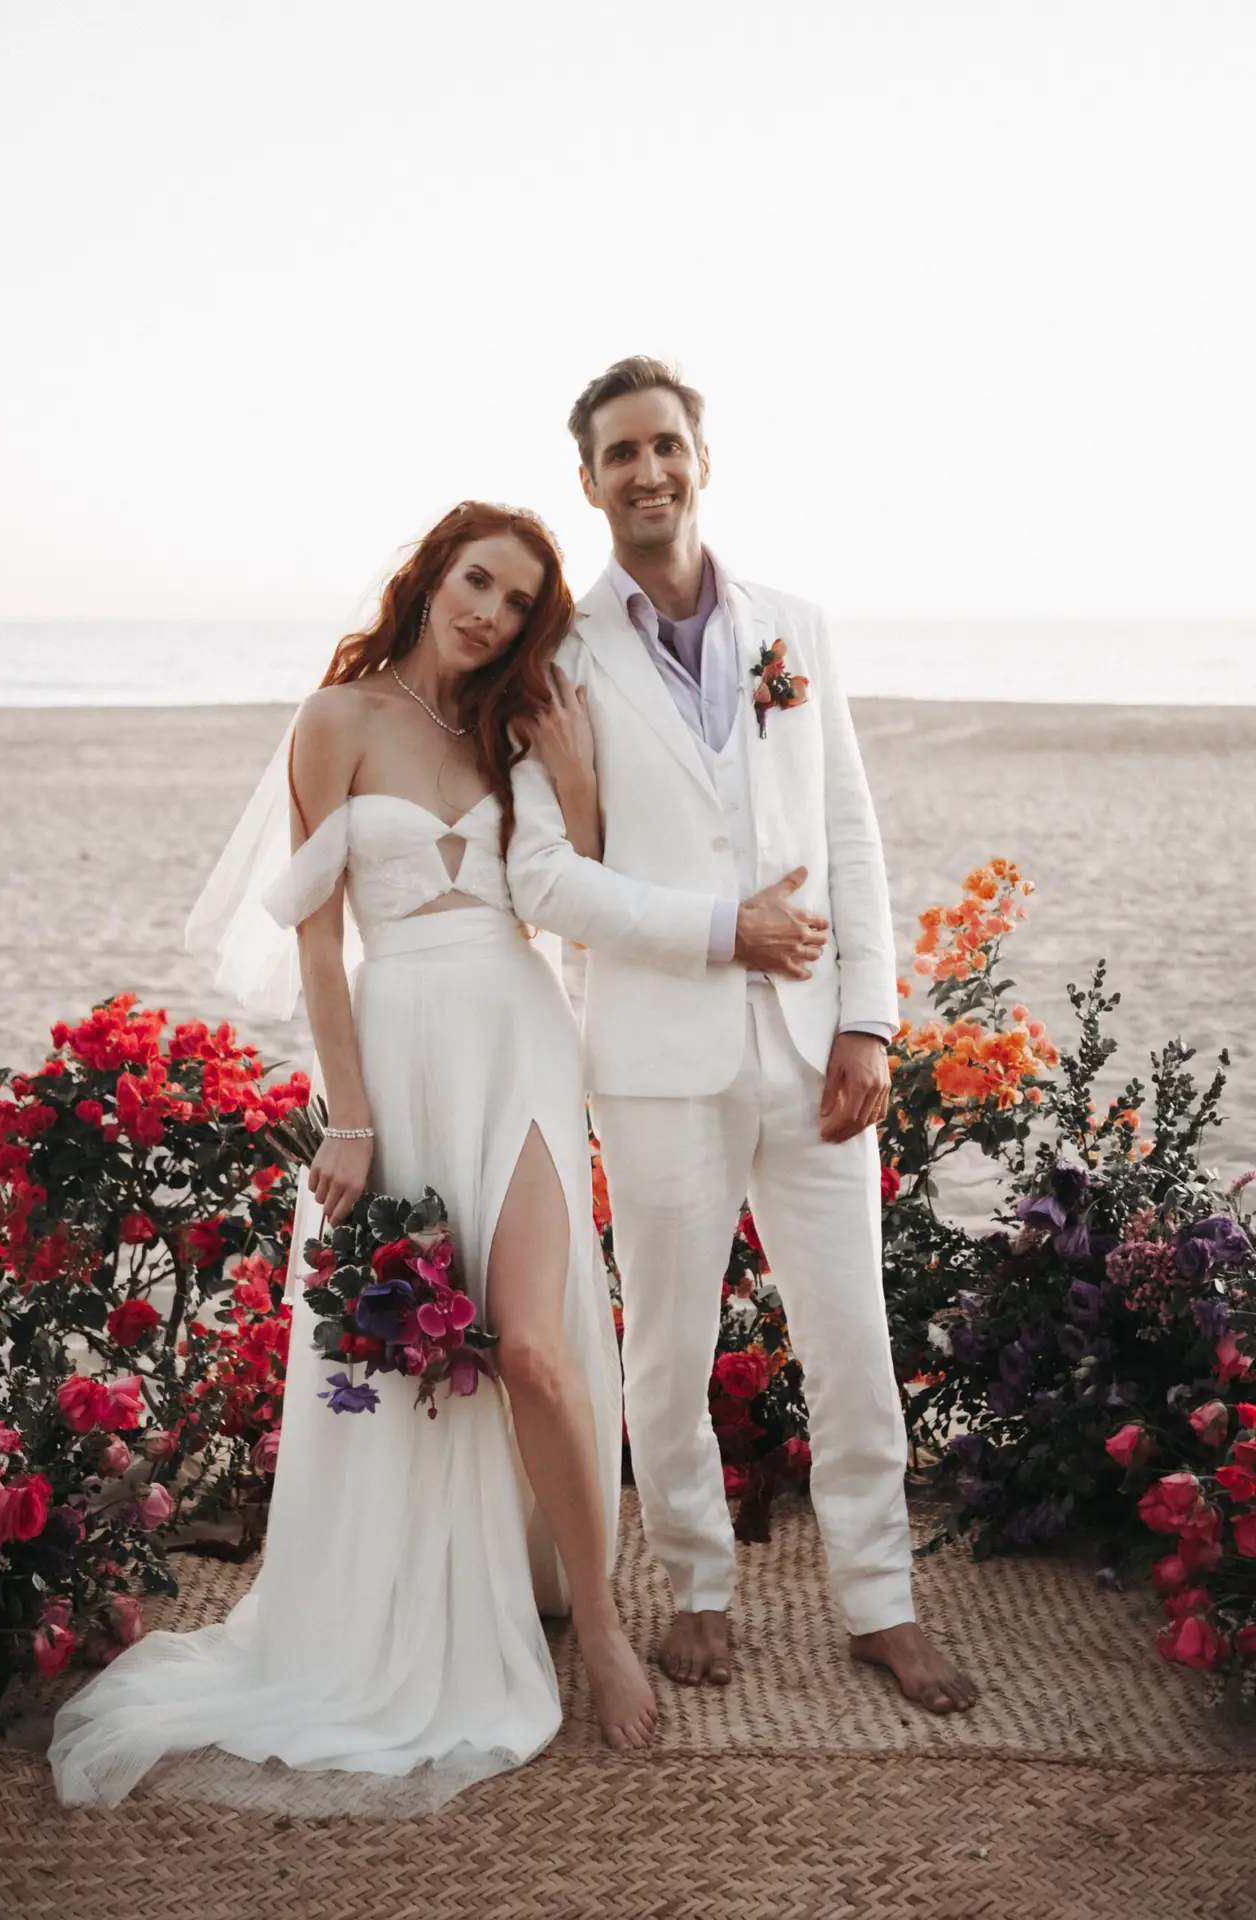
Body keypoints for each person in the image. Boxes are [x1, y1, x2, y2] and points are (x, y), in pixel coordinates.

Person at [49, 501, 656, 1816]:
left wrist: (582, 773)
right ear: (431, 574)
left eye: (515, 598)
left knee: (534, 1342)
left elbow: (580, 887)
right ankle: (439, 1601)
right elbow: (322, 944)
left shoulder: (515, 721)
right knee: (424, 1359)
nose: (489, 611)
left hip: (522, 1037)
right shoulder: (336, 721)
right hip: (400, 1045)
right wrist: (354, 1116)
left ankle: (598, 1625)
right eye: (475, 579)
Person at [508, 359, 976, 1713]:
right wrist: (727, 930)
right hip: (657, 1058)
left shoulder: (799, 629)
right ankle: (698, 1589)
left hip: (814, 1051)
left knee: (852, 1335)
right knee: (664, 1345)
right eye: (618, 456)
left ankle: (881, 1601)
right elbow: (547, 878)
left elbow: (851, 839)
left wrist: (872, 1022)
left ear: (702, 456)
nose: (646, 473)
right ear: (588, 481)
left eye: (665, 446)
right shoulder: (559, 656)